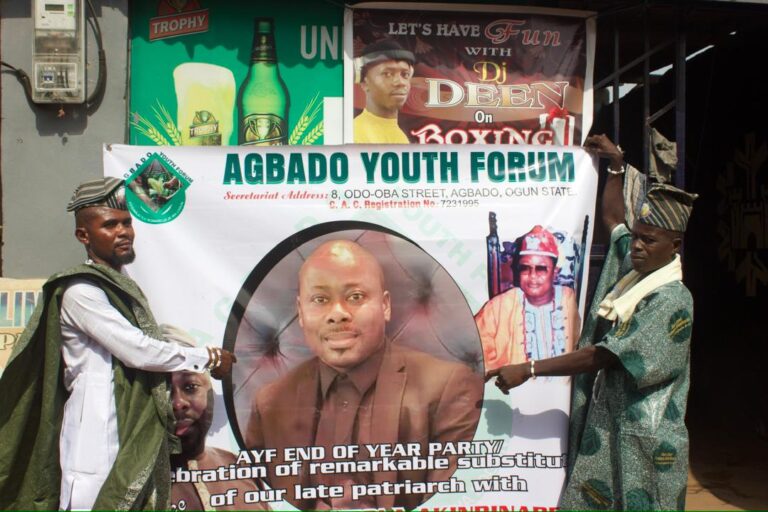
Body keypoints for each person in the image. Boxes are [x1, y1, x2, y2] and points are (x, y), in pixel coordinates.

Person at [486, 134, 697, 510]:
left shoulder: (670, 300)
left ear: (675, 246)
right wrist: (615, 166)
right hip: (607, 434)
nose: (636, 247)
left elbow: (603, 356)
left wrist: (530, 368)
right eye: (637, 239)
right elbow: (614, 220)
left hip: (647, 445)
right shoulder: (634, 272)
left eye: (649, 241)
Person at [0, 178, 236, 511]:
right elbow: (136, 348)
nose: (123, 231)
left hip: (129, 421)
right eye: (110, 225)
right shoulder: (82, 292)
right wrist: (206, 357)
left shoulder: (120, 285)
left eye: (126, 223)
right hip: (93, 426)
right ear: (84, 236)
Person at [244, 239, 483, 510]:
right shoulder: (270, 403)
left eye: (355, 297)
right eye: (320, 300)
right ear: (301, 312)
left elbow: (454, 503)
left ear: (385, 306)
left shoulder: (448, 388)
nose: (337, 314)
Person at [167, 327, 268, 511]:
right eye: (164, 391)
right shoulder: (134, 483)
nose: (178, 403)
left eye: (190, 387)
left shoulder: (239, 467)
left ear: (210, 392)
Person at [474, 225, 581, 370]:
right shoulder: (498, 307)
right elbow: (472, 350)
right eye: (525, 268)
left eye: (541, 269)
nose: (532, 277)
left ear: (555, 272)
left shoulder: (569, 300)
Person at [353, 39, 415, 144]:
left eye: (405, 75)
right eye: (387, 74)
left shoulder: (399, 134)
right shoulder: (356, 133)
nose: (400, 82)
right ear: (364, 83)